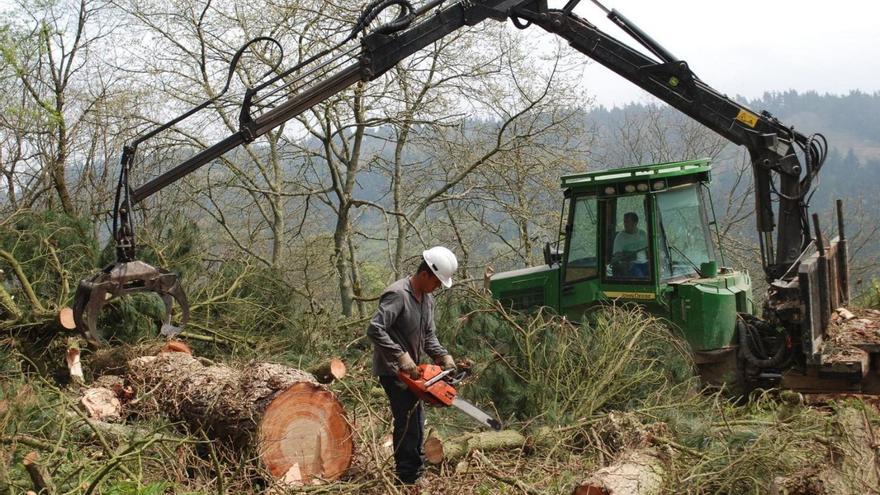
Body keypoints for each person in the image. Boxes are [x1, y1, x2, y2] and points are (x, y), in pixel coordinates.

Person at [367, 246, 458, 485]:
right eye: (437, 282)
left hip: (413, 370)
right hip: (392, 370)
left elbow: (429, 336)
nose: (437, 287)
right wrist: (400, 356)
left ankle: (414, 470)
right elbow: (375, 328)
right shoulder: (398, 294)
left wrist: (443, 356)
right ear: (425, 274)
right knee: (408, 420)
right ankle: (408, 476)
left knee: (416, 419)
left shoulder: (427, 301)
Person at [611, 212, 648, 278]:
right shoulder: (620, 237)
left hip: (646, 263)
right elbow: (617, 255)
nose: (625, 224)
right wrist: (626, 258)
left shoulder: (643, 234)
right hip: (632, 265)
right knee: (641, 279)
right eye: (624, 221)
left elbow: (649, 250)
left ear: (635, 223)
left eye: (627, 221)